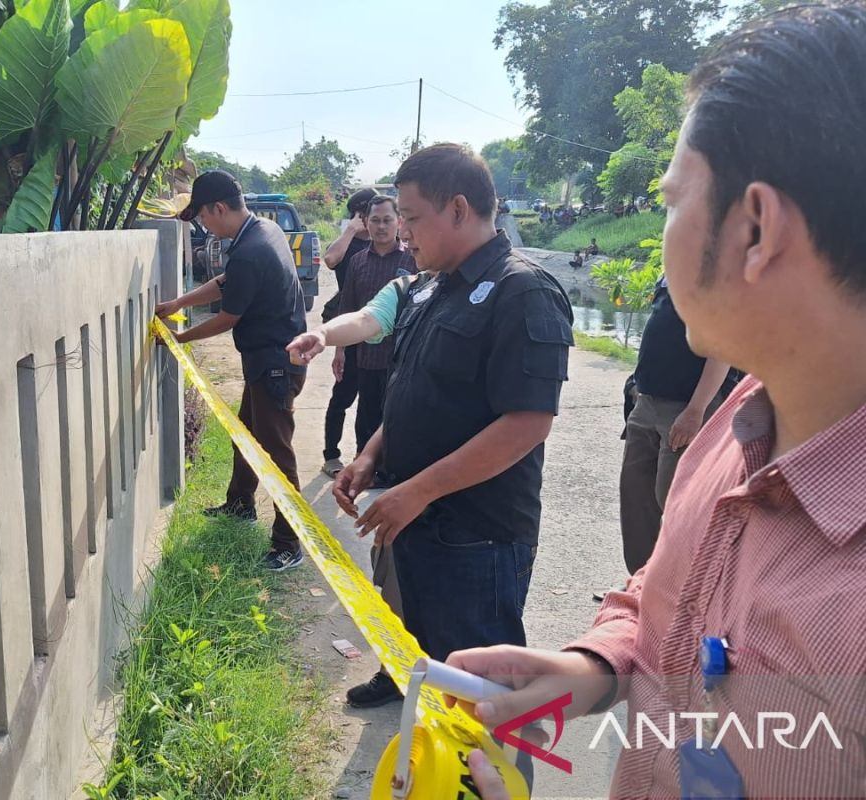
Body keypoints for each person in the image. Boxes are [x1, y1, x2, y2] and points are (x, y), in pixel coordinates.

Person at [448, 7, 866, 797]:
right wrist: (590, 667)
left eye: (673, 199)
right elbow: (668, 590)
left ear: (755, 229)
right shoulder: (744, 420)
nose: (662, 227)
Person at [287, 143, 573, 703]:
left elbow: (527, 423)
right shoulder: (428, 287)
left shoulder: (523, 292)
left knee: (481, 702)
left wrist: (417, 490)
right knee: (428, 679)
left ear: (460, 210)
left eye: (412, 219)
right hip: (420, 523)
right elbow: (416, 392)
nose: (403, 233)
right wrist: (369, 457)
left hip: (478, 539)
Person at [154, 170, 308, 572]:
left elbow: (227, 318)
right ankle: (241, 503)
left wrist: (178, 339)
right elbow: (227, 282)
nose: (203, 224)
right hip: (267, 360)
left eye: (203, 216)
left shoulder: (250, 250)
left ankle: (290, 542)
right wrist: (177, 304)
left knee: (276, 452)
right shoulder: (262, 231)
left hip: (275, 363)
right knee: (246, 432)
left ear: (219, 208)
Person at [620, 275, 730, 573]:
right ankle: (641, 583)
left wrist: (696, 410)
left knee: (674, 502)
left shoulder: (718, 278)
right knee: (636, 496)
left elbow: (721, 351)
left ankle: (678, 587)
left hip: (685, 409)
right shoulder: (670, 275)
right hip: (647, 402)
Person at [334, 195, 415, 457]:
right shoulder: (357, 261)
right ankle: (363, 467)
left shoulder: (413, 260)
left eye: (387, 220)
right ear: (366, 223)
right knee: (367, 418)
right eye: (375, 220)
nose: (381, 227)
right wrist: (340, 350)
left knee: (398, 419)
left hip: (402, 360)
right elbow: (347, 308)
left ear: (399, 222)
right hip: (367, 357)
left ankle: (391, 472)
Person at [319, 188, 377, 477]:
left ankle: (364, 459)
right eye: (368, 216)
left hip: (381, 335)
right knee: (343, 395)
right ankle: (331, 456)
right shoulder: (351, 249)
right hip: (351, 329)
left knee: (372, 401)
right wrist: (351, 230)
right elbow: (330, 260)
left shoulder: (392, 246)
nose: (375, 223)